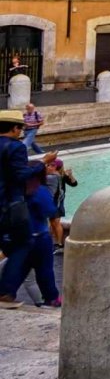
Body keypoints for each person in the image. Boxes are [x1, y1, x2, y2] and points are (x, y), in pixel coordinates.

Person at [0, 110, 50, 308]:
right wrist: (42, 164)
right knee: (24, 244)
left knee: (10, 247)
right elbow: (21, 175)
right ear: (14, 128)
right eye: (20, 128)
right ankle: (5, 292)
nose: (21, 131)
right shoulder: (16, 147)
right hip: (9, 206)